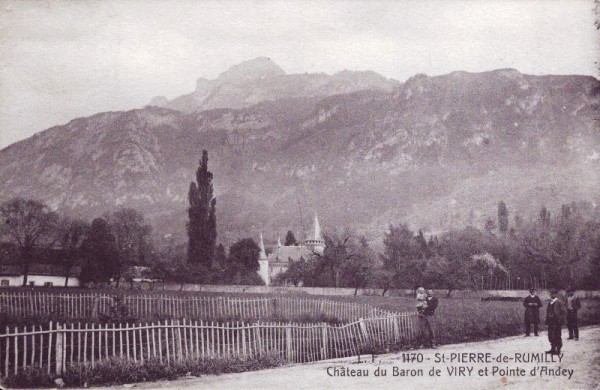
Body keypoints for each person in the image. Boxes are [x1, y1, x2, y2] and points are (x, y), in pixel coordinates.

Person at [545, 289, 565, 355]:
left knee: (557, 335)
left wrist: (560, 320)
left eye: (553, 293)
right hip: (550, 321)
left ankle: (558, 349)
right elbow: (548, 312)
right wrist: (547, 320)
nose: (552, 295)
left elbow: (563, 312)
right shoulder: (550, 302)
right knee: (550, 335)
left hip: (556, 321)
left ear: (556, 294)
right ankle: (553, 348)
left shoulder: (559, 302)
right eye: (551, 293)